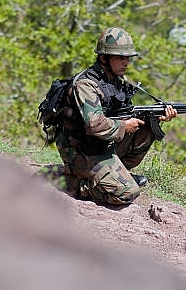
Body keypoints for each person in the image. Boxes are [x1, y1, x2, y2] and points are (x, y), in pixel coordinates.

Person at [55, 27, 177, 205]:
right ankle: (79, 183)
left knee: (147, 126)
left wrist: (157, 117)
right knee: (128, 193)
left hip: (100, 145)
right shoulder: (86, 85)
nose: (126, 62)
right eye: (120, 57)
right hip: (80, 152)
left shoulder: (115, 81)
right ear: (104, 58)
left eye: (127, 58)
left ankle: (116, 174)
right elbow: (94, 124)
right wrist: (124, 127)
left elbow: (122, 113)